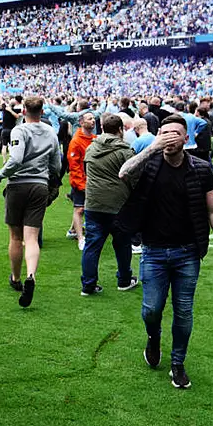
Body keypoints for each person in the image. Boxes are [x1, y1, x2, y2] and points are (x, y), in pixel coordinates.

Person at [118, 114, 213, 389]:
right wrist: (152, 147)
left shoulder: (201, 168)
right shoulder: (150, 164)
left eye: (175, 133)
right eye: (165, 132)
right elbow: (124, 172)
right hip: (154, 251)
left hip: (187, 253)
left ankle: (177, 363)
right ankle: (153, 338)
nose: (170, 137)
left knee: (184, 311)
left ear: (186, 139)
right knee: (151, 309)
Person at [0, 96, 62, 309]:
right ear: (42, 111)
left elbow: (16, 159)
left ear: (23, 111)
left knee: (15, 236)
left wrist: (0, 175)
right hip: (40, 185)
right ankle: (31, 275)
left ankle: (15, 278)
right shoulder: (51, 132)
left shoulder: (19, 131)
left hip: (18, 185)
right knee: (32, 238)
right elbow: (56, 164)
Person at [79, 114, 138, 296]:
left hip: (94, 203)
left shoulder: (91, 148)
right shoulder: (125, 151)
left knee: (92, 244)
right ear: (120, 130)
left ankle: (88, 284)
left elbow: (86, 170)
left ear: (102, 128)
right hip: (118, 204)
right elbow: (133, 177)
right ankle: (124, 279)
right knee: (122, 244)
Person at [67, 112, 96, 250]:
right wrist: (81, 184)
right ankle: (80, 238)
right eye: (90, 119)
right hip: (81, 181)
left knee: (84, 208)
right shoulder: (76, 141)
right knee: (79, 209)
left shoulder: (95, 139)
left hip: (93, 181)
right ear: (81, 122)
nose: (93, 120)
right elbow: (74, 165)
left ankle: (73, 230)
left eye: (93, 118)